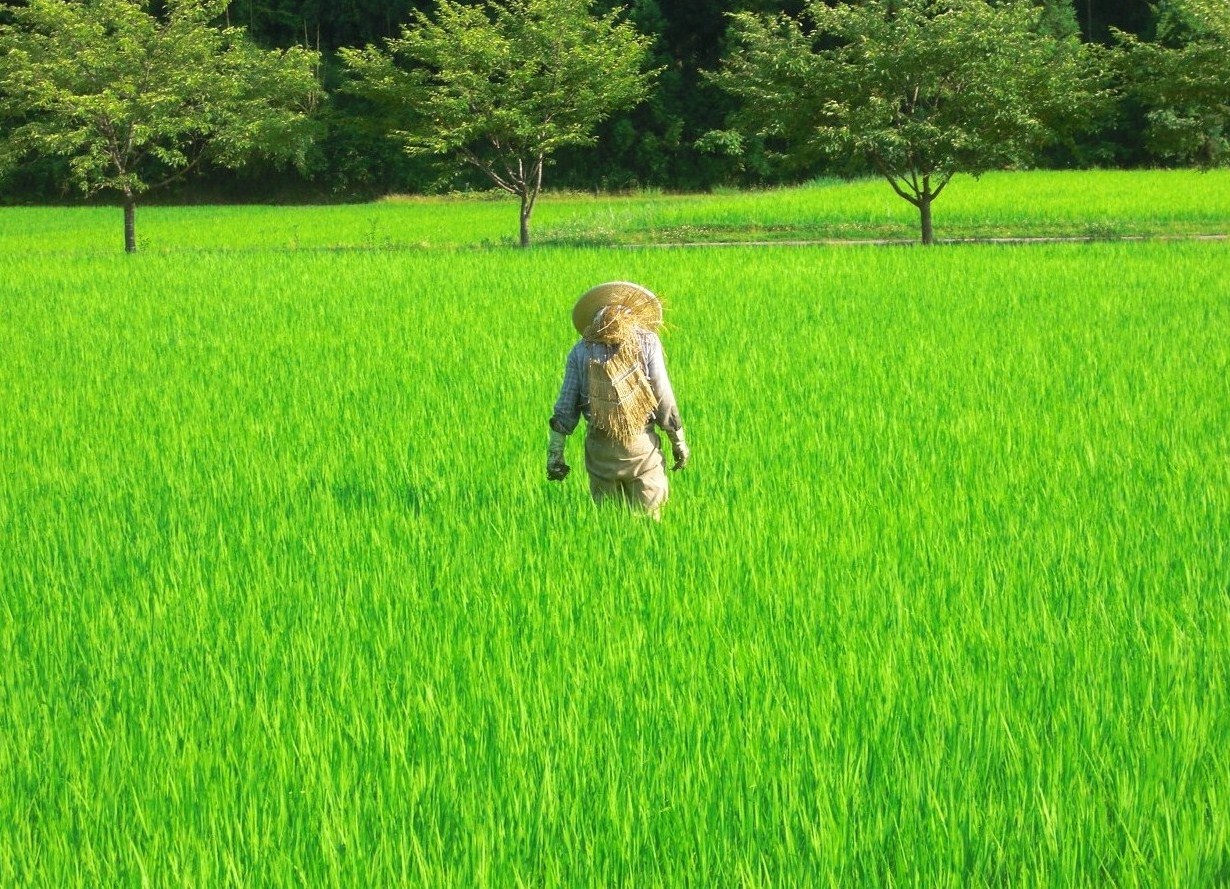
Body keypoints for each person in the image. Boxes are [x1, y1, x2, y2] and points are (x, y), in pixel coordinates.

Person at [547, 281, 689, 518]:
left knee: (610, 529)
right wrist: (678, 441)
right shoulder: (647, 341)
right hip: (642, 450)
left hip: (600, 451)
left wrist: (555, 454)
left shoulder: (580, 350)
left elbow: (565, 409)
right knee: (649, 529)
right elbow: (663, 396)